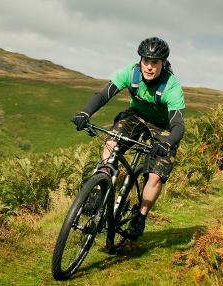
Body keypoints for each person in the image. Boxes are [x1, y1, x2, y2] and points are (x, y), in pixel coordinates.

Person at [72, 37, 185, 241]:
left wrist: (167, 143)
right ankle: (100, 187)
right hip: (136, 117)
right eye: (146, 61)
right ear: (140, 60)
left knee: (156, 175)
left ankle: (140, 216)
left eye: (155, 63)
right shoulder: (130, 73)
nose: (149, 67)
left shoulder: (171, 86)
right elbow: (103, 95)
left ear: (163, 63)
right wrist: (85, 113)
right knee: (111, 142)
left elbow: (178, 125)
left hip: (163, 128)